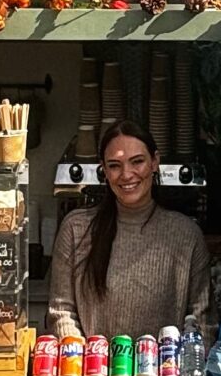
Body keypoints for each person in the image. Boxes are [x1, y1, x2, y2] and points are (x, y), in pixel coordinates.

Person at [47, 121, 212, 341]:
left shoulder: (186, 234)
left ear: (155, 162)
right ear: (103, 170)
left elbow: (202, 322)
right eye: (115, 165)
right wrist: (83, 362)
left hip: (167, 373)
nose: (126, 174)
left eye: (137, 162)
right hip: (93, 372)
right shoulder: (76, 229)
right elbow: (61, 312)